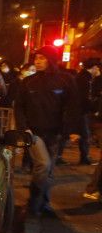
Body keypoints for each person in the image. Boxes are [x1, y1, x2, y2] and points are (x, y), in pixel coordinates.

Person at [13, 46, 80, 217]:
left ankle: (45, 203)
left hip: (57, 133)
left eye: (42, 58)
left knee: (49, 170)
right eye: (37, 58)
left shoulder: (66, 80)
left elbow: (73, 106)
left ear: (51, 59)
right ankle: (34, 203)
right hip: (34, 133)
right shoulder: (28, 82)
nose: (38, 61)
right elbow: (19, 106)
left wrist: (72, 130)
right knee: (43, 164)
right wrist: (24, 128)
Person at [72, 59, 99, 166]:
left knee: (84, 134)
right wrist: (93, 109)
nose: (97, 69)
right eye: (96, 67)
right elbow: (85, 97)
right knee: (85, 134)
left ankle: (84, 157)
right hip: (81, 111)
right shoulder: (85, 79)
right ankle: (84, 158)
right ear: (92, 68)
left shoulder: (83, 77)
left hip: (79, 110)